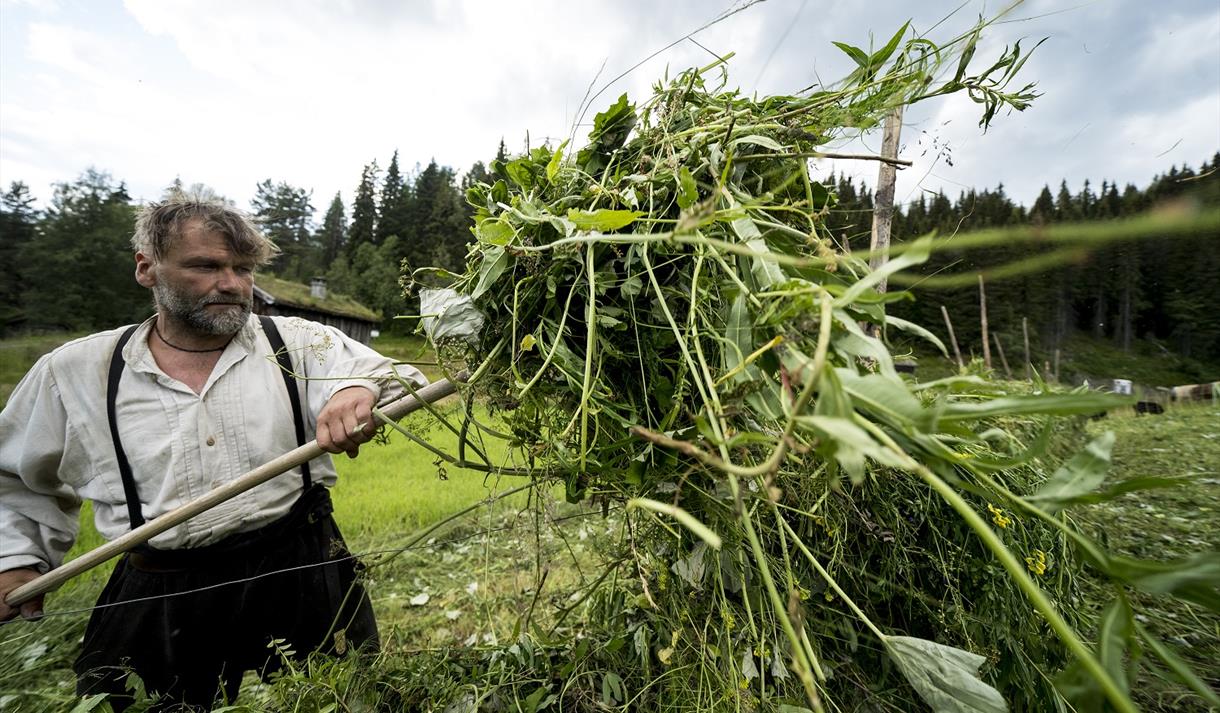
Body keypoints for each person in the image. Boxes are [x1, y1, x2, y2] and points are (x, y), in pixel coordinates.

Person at [0, 194, 427, 709]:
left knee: (346, 699)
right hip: (162, 586)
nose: (230, 283)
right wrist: (17, 558)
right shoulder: (74, 373)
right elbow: (16, 480)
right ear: (147, 269)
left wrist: (357, 391)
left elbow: (394, 377)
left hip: (302, 567)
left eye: (242, 268)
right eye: (205, 266)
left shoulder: (295, 341)